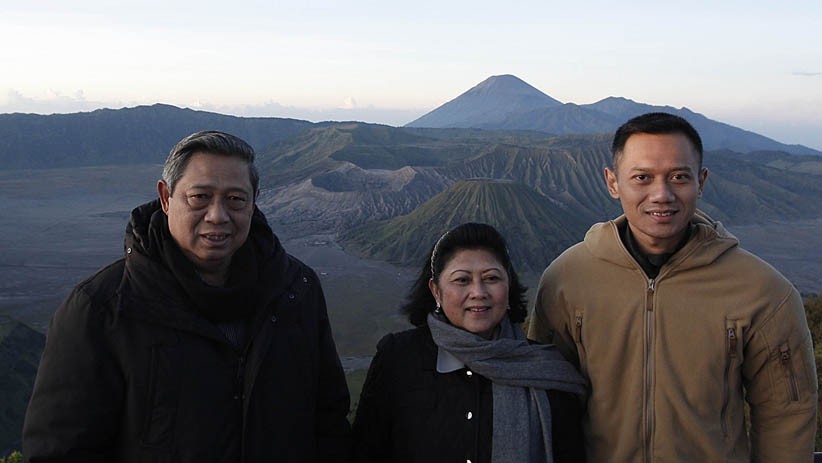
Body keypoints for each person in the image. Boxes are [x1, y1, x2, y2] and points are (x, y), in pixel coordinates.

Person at [22, 131, 351, 462]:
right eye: (200, 197)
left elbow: (328, 421)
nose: (217, 215)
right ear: (166, 198)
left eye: (235, 199)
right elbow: (60, 450)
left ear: (254, 201)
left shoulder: (296, 291)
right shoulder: (100, 310)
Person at [527, 112, 818, 462]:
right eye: (642, 177)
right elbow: (543, 396)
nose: (661, 194)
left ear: (702, 181)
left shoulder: (762, 291)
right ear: (613, 182)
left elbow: (786, 413)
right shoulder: (566, 279)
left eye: (679, 177)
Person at [352, 222, 587, 463]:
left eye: (492, 278)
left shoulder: (545, 371)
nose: (478, 292)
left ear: (508, 286)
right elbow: (367, 451)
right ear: (436, 291)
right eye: (462, 280)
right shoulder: (398, 360)